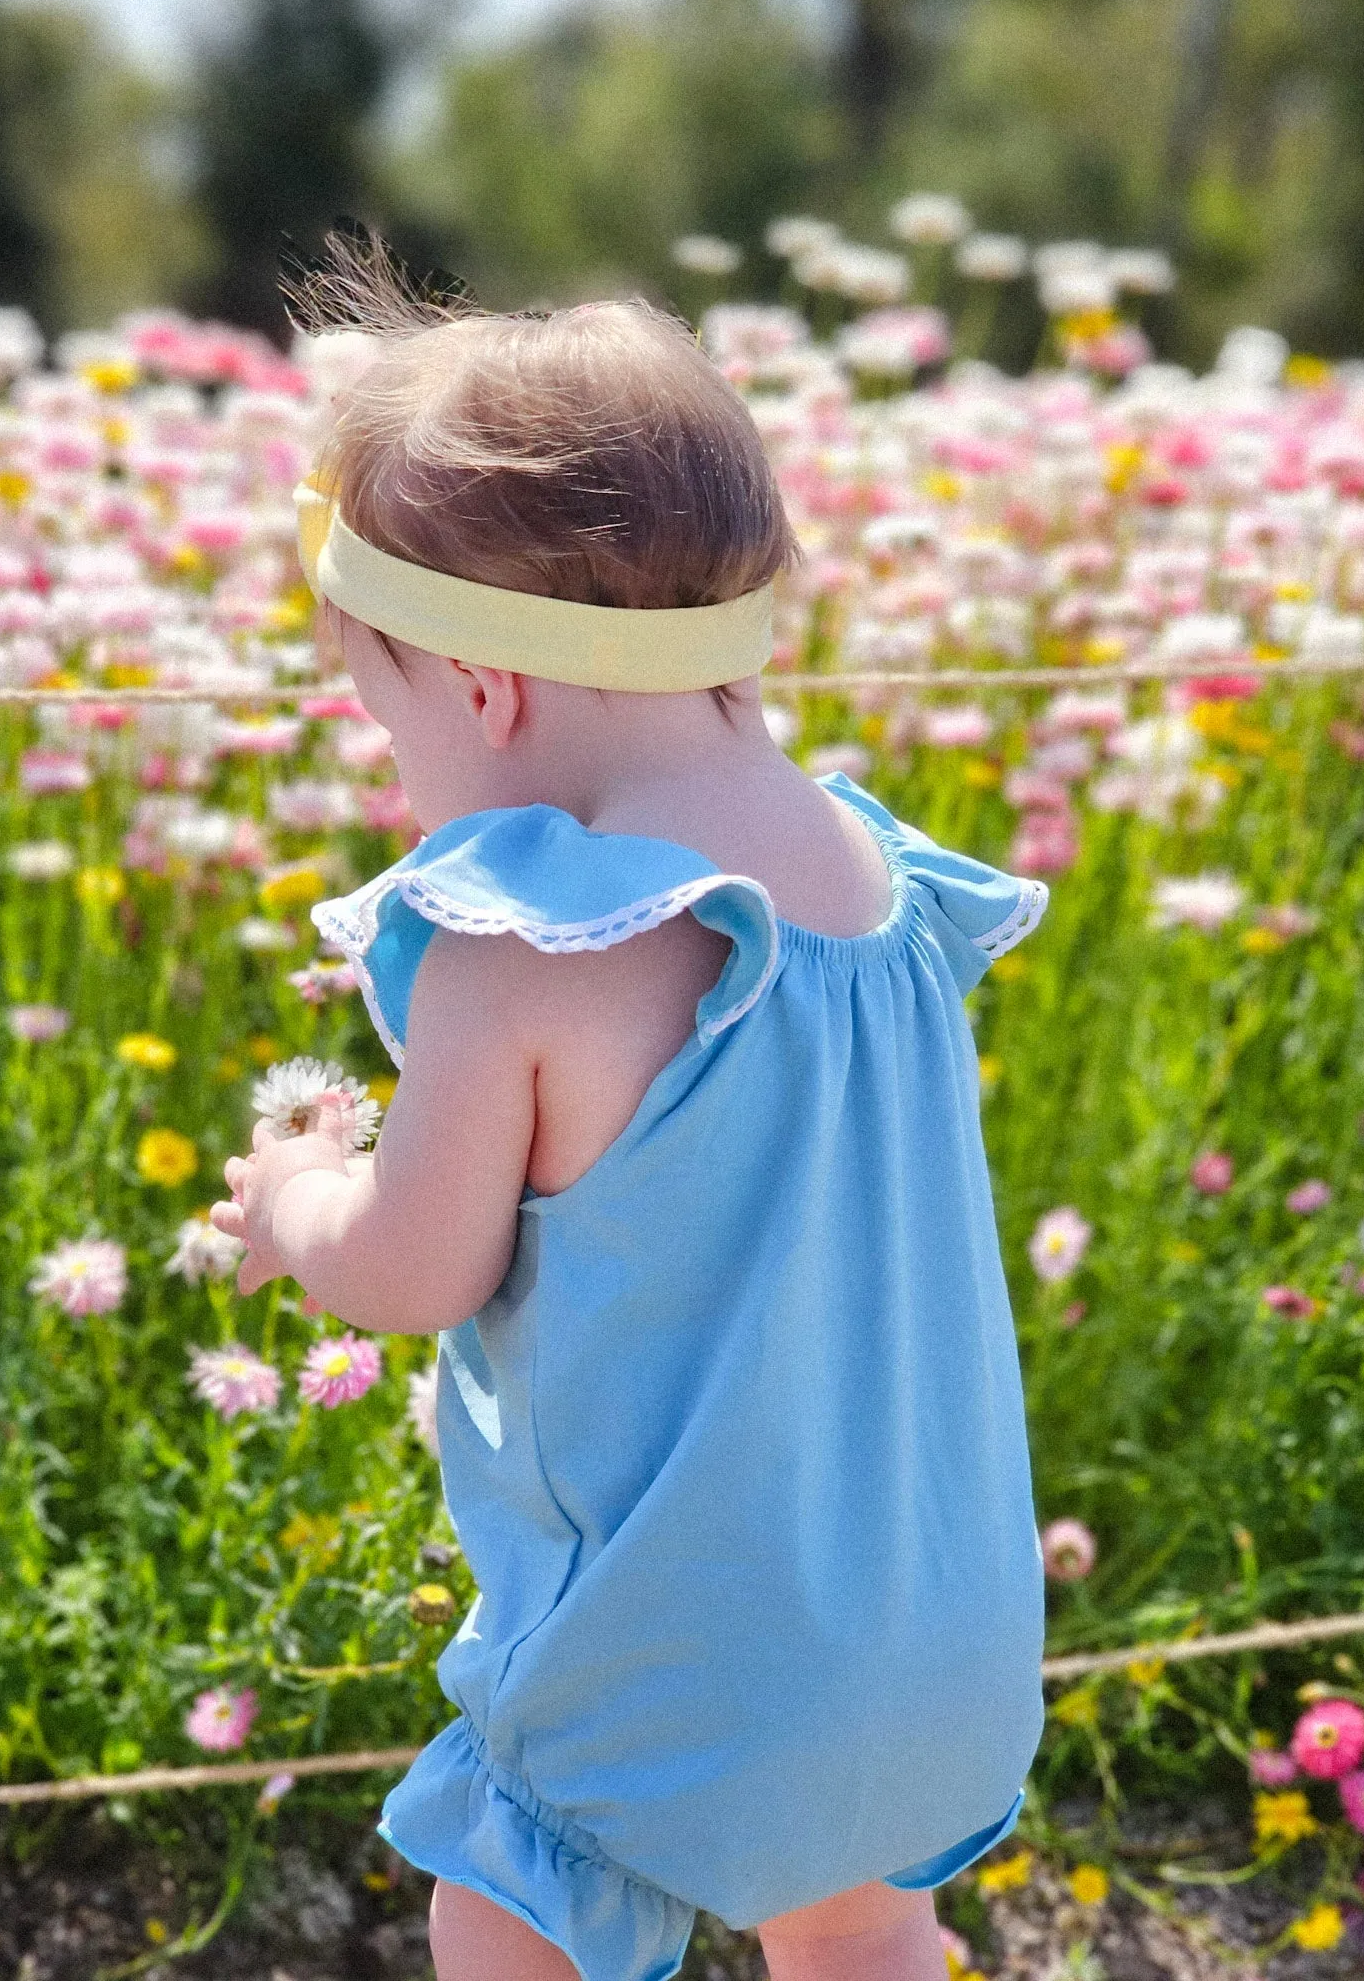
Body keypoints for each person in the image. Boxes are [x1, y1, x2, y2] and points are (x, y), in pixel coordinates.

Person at [212, 234, 1048, 1981]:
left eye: (390, 725)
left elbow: (417, 1268)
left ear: (488, 691)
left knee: (512, 1891)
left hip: (677, 1673)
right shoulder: (869, 875)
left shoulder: (521, 944)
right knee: (864, 1919)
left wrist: (295, 1202)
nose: (401, 774)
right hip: (937, 1657)